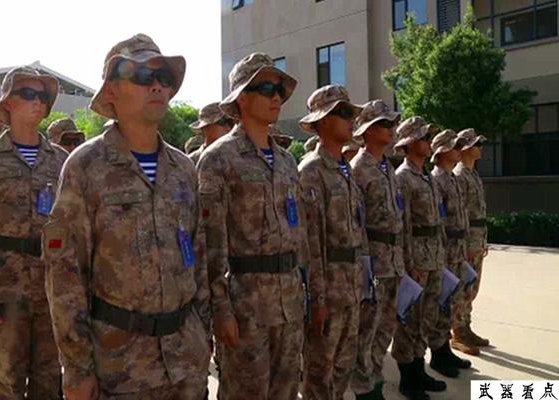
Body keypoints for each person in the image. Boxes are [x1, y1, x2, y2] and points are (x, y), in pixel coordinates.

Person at [43, 34, 211, 400]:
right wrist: (77, 368)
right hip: (120, 368)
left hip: (186, 361)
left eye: (164, 77)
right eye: (143, 75)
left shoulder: (183, 169)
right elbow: (66, 275)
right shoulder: (86, 166)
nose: (157, 85)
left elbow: (198, 261)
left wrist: (203, 336)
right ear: (112, 91)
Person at [197, 52, 307, 400]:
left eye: (279, 90)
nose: (276, 97)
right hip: (246, 307)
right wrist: (220, 310)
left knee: (286, 391)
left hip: (289, 301)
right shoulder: (218, 159)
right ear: (241, 98)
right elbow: (210, 245)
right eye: (266, 88)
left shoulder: (287, 161)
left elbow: (297, 232)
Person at [0, 66, 67, 399]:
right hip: (6, 289)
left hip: (51, 287)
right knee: (8, 380)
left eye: (43, 96)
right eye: (27, 94)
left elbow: (73, 228)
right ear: (8, 101)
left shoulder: (61, 160)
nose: (38, 101)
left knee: (50, 380)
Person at [297, 85, 367, 400]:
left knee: (342, 366)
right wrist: (317, 300)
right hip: (328, 290)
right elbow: (310, 245)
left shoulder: (345, 170)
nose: (352, 120)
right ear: (323, 120)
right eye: (344, 113)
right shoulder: (312, 171)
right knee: (319, 372)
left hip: (350, 286)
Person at [349, 100, 409, 400]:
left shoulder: (387, 168)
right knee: (367, 333)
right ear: (368, 130)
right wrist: (364, 270)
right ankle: (366, 389)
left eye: (392, 123)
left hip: (393, 261)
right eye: (385, 124)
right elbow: (355, 224)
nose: (392, 129)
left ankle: (376, 381)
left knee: (386, 327)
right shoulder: (359, 170)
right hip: (373, 262)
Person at [391, 117, 447, 400]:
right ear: (410, 143)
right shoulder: (402, 178)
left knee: (427, 316)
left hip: (434, 255)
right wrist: (407, 263)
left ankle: (419, 368)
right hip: (416, 259)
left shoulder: (426, 176)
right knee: (410, 321)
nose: (428, 142)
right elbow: (403, 225)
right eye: (423, 138)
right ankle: (408, 378)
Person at [429, 130, 475, 376]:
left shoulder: (452, 178)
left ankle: (445, 349)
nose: (459, 150)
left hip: (457, 248)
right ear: (442, 151)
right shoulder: (436, 179)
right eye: (454, 147)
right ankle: (438, 352)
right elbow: (439, 219)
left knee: (451, 300)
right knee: (441, 302)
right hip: (444, 249)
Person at [452, 128, 490, 352]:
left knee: (472, 288)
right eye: (476, 144)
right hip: (467, 242)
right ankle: (458, 332)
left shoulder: (473, 174)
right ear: (465, 148)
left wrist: (483, 240)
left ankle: (466, 326)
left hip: (477, 239)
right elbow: (460, 214)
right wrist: (464, 244)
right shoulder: (459, 176)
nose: (480, 148)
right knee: (463, 287)